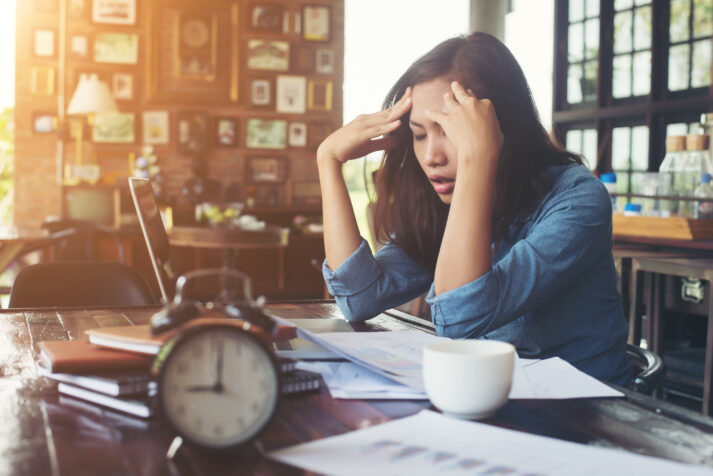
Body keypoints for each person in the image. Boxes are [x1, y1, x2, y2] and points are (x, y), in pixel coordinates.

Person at [316, 32, 631, 386]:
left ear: (502, 127)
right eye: (419, 135)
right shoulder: (441, 203)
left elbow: (460, 318)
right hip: (489, 396)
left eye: (449, 130)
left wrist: (479, 157)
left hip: (587, 411)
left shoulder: (577, 198)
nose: (432, 156)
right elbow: (358, 298)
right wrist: (328, 161)